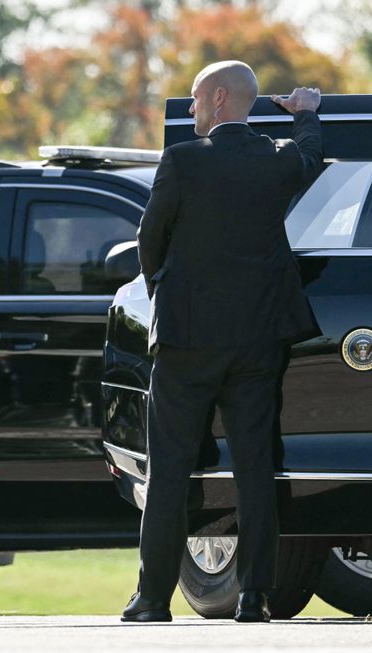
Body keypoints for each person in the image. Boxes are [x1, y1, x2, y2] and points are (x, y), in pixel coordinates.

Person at [121, 61, 322, 624]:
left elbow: (150, 238)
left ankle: (152, 599)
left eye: (191, 101)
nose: (188, 112)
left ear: (215, 100)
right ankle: (254, 595)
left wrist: (164, 287)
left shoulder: (183, 159)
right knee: (256, 466)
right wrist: (306, 115)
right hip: (258, 338)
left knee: (168, 470)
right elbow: (309, 158)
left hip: (187, 338)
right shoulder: (276, 158)